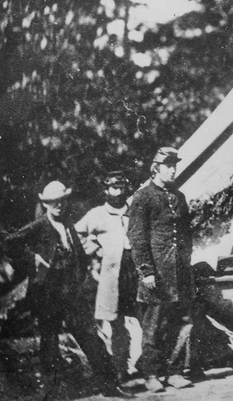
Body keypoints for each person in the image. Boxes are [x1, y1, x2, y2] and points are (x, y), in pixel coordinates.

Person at [3, 181, 130, 397]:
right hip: (47, 293)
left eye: (62, 201)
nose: (59, 205)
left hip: (71, 290)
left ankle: (108, 384)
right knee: (49, 342)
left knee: (89, 335)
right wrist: (32, 258)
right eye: (53, 202)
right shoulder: (39, 226)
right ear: (46, 204)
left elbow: (79, 254)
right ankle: (53, 392)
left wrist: (80, 276)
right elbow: (9, 242)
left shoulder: (69, 224)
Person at [127, 147, 194, 392]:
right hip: (157, 273)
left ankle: (175, 371)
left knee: (181, 322)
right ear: (156, 168)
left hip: (180, 272)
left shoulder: (180, 197)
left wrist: (186, 260)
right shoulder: (143, 197)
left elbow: (186, 234)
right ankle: (152, 374)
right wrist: (147, 271)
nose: (173, 169)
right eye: (168, 165)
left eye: (175, 164)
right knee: (153, 325)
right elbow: (137, 237)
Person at [75, 171, 138, 383]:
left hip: (136, 274)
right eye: (113, 188)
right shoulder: (96, 214)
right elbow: (77, 234)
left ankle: (149, 366)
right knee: (117, 323)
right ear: (106, 190)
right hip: (113, 276)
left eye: (122, 188)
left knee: (147, 320)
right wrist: (95, 250)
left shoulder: (134, 211)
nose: (118, 192)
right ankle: (121, 369)